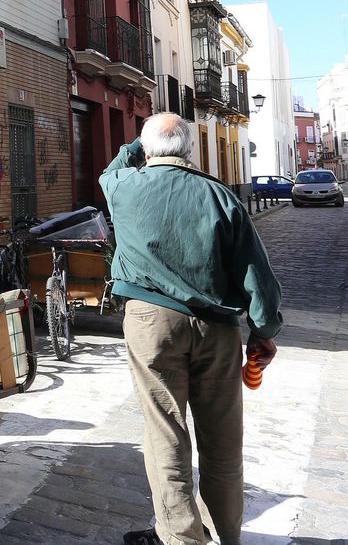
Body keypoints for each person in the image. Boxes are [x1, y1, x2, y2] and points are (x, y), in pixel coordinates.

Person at [99, 115, 283, 545]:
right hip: (217, 329)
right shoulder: (220, 195)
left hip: (150, 323)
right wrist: (263, 329)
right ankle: (225, 535)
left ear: (146, 152)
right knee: (222, 439)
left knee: (165, 432)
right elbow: (255, 272)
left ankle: (180, 537)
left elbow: (113, 167)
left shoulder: (123, 187)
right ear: (190, 151)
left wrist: (137, 145)